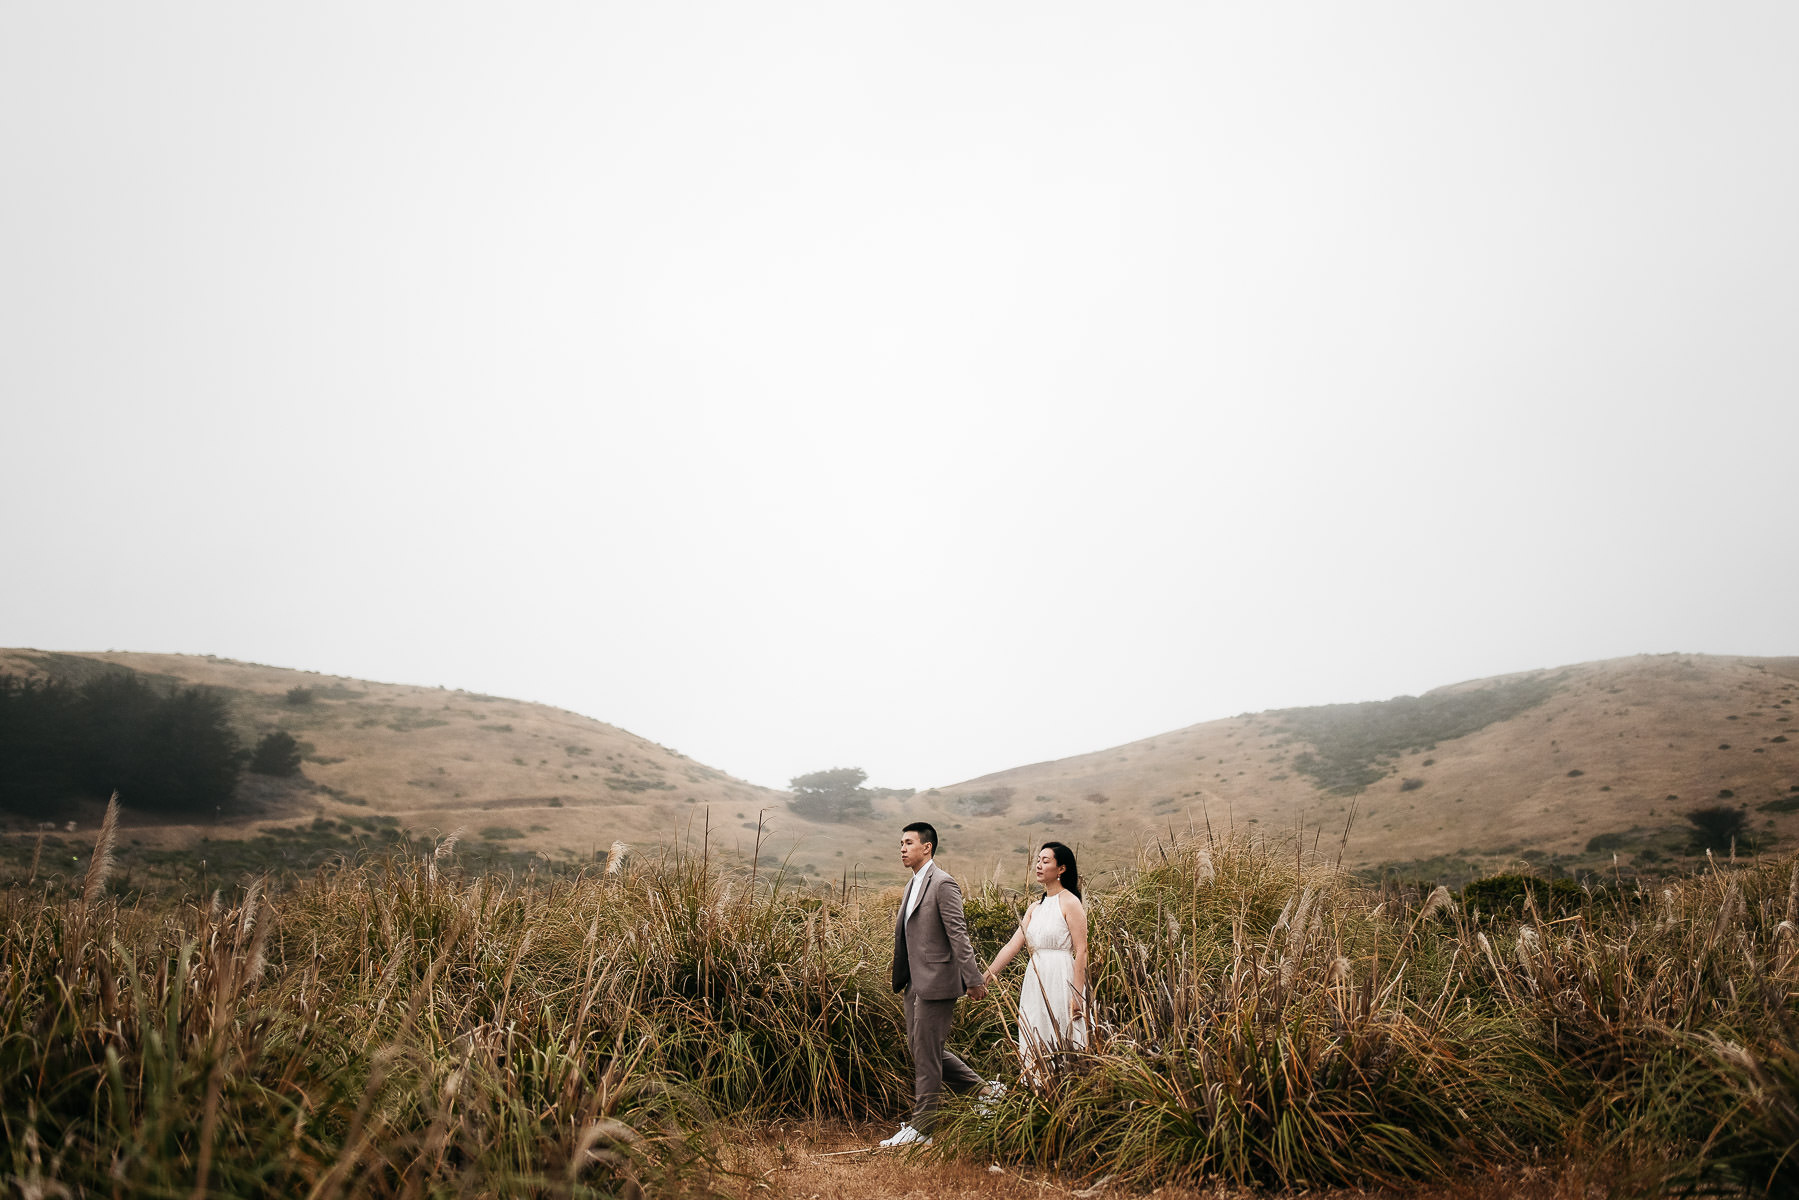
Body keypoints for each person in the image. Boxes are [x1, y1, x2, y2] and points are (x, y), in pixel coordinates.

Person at [881, 820, 1002, 1147]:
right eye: (901, 844)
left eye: (908, 843)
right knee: (922, 1050)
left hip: (937, 982)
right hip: (913, 984)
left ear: (927, 847)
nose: (902, 849)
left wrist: (973, 980)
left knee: (926, 1054)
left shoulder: (943, 883)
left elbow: (958, 935)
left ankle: (922, 1129)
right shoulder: (912, 885)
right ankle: (986, 1092)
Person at [982, 841, 1089, 1085]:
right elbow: (1012, 946)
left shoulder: (1070, 902)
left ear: (1061, 869)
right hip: (1036, 978)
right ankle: (1038, 1089)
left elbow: (1082, 950)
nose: (1039, 866)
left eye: (1045, 861)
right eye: (1038, 860)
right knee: (1035, 1029)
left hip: (1062, 977)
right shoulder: (1035, 908)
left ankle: (1068, 1090)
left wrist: (1078, 994)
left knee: (1062, 1033)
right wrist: (987, 975)